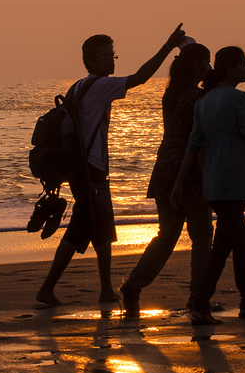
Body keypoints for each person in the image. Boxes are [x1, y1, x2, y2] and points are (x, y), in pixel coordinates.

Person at [36, 24, 186, 307]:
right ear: (90, 61)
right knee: (82, 225)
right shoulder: (100, 85)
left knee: (102, 227)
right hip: (89, 170)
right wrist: (168, 47)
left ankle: (105, 289)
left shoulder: (77, 86)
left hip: (83, 168)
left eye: (112, 56)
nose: (110, 61)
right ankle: (47, 288)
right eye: (104, 57)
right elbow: (141, 78)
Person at [171, 46, 245, 325]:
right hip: (233, 177)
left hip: (213, 179)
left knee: (241, 239)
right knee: (223, 244)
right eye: (244, 64)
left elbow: (194, 145)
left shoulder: (204, 100)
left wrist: (180, 182)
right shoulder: (239, 99)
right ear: (230, 68)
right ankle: (200, 304)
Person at [119, 42, 213, 317]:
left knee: (168, 234)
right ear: (197, 66)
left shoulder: (171, 94)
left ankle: (134, 286)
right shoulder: (198, 98)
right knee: (202, 236)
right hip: (188, 169)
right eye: (206, 63)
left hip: (164, 167)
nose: (209, 68)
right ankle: (198, 298)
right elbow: (198, 142)